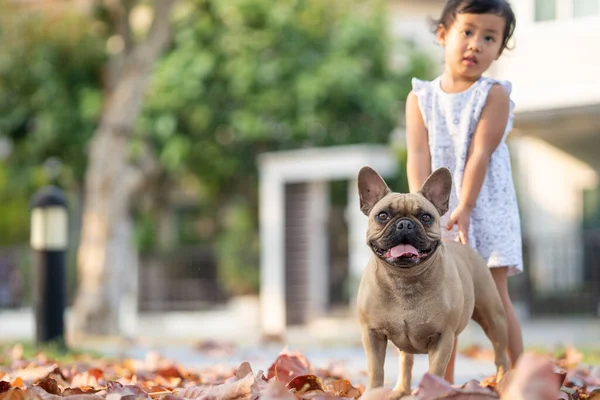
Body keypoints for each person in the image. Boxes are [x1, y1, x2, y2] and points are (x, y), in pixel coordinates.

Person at [405, 0, 524, 384]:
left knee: (496, 301)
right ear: (443, 35)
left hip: (486, 207)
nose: (476, 44)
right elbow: (418, 154)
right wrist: (422, 212)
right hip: (437, 212)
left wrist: (466, 207)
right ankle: (441, 385)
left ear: (499, 49)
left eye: (489, 37)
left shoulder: (494, 95)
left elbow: (480, 154)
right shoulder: (420, 98)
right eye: (468, 31)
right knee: (444, 303)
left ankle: (517, 379)